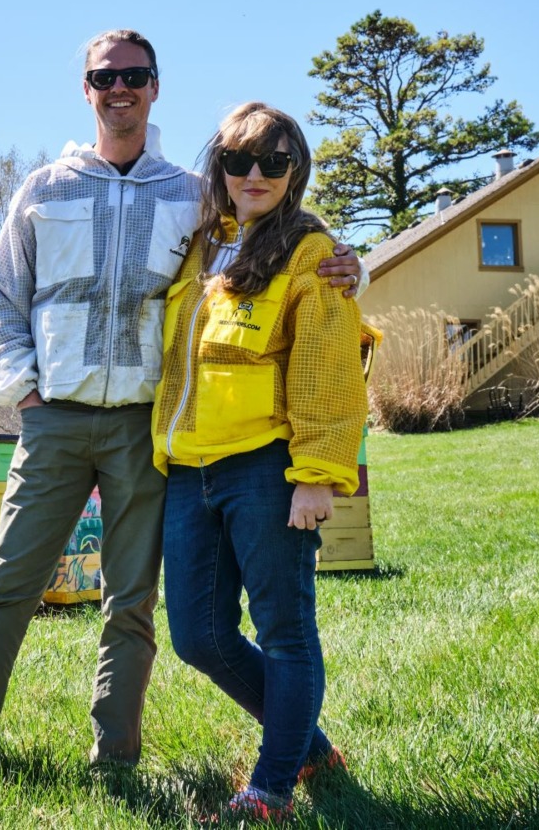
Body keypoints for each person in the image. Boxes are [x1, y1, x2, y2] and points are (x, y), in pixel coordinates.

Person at [0, 31, 365, 773]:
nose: (118, 87)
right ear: (86, 89)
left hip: (142, 428)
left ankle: (114, 763)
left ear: (156, 86)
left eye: (134, 74)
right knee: (5, 589)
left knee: (129, 605)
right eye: (104, 76)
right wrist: (21, 390)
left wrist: (357, 269)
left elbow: (280, 238)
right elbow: (1, 294)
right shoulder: (43, 187)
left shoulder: (191, 194)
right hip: (53, 420)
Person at [152, 101, 371, 820]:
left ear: (295, 172)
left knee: (284, 630)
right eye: (238, 160)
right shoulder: (199, 246)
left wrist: (316, 474)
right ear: (218, 168)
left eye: (273, 162)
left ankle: (270, 787)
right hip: (189, 469)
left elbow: (327, 369)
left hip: (264, 466)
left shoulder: (313, 253)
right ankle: (310, 748)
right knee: (198, 636)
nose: (254, 175)